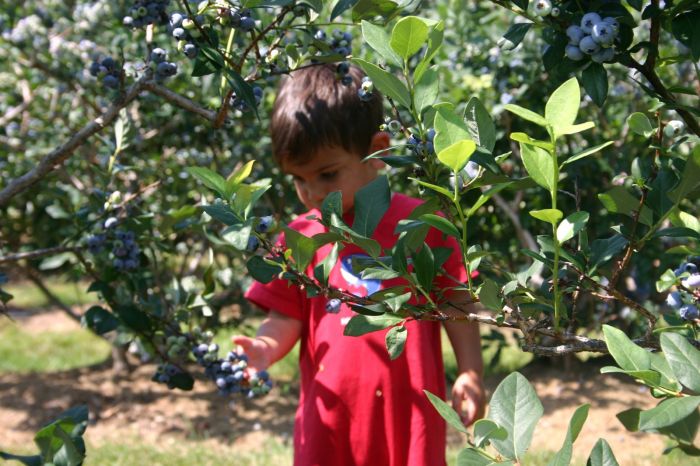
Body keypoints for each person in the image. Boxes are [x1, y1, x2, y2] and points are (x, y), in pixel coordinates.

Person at [231, 63, 484, 466]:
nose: (312, 193)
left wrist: (471, 372)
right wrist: (264, 348)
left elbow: (456, 305)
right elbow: (286, 318)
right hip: (328, 420)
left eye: (327, 174)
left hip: (409, 417)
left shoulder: (423, 225)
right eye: (298, 180)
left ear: (377, 151)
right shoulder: (300, 237)